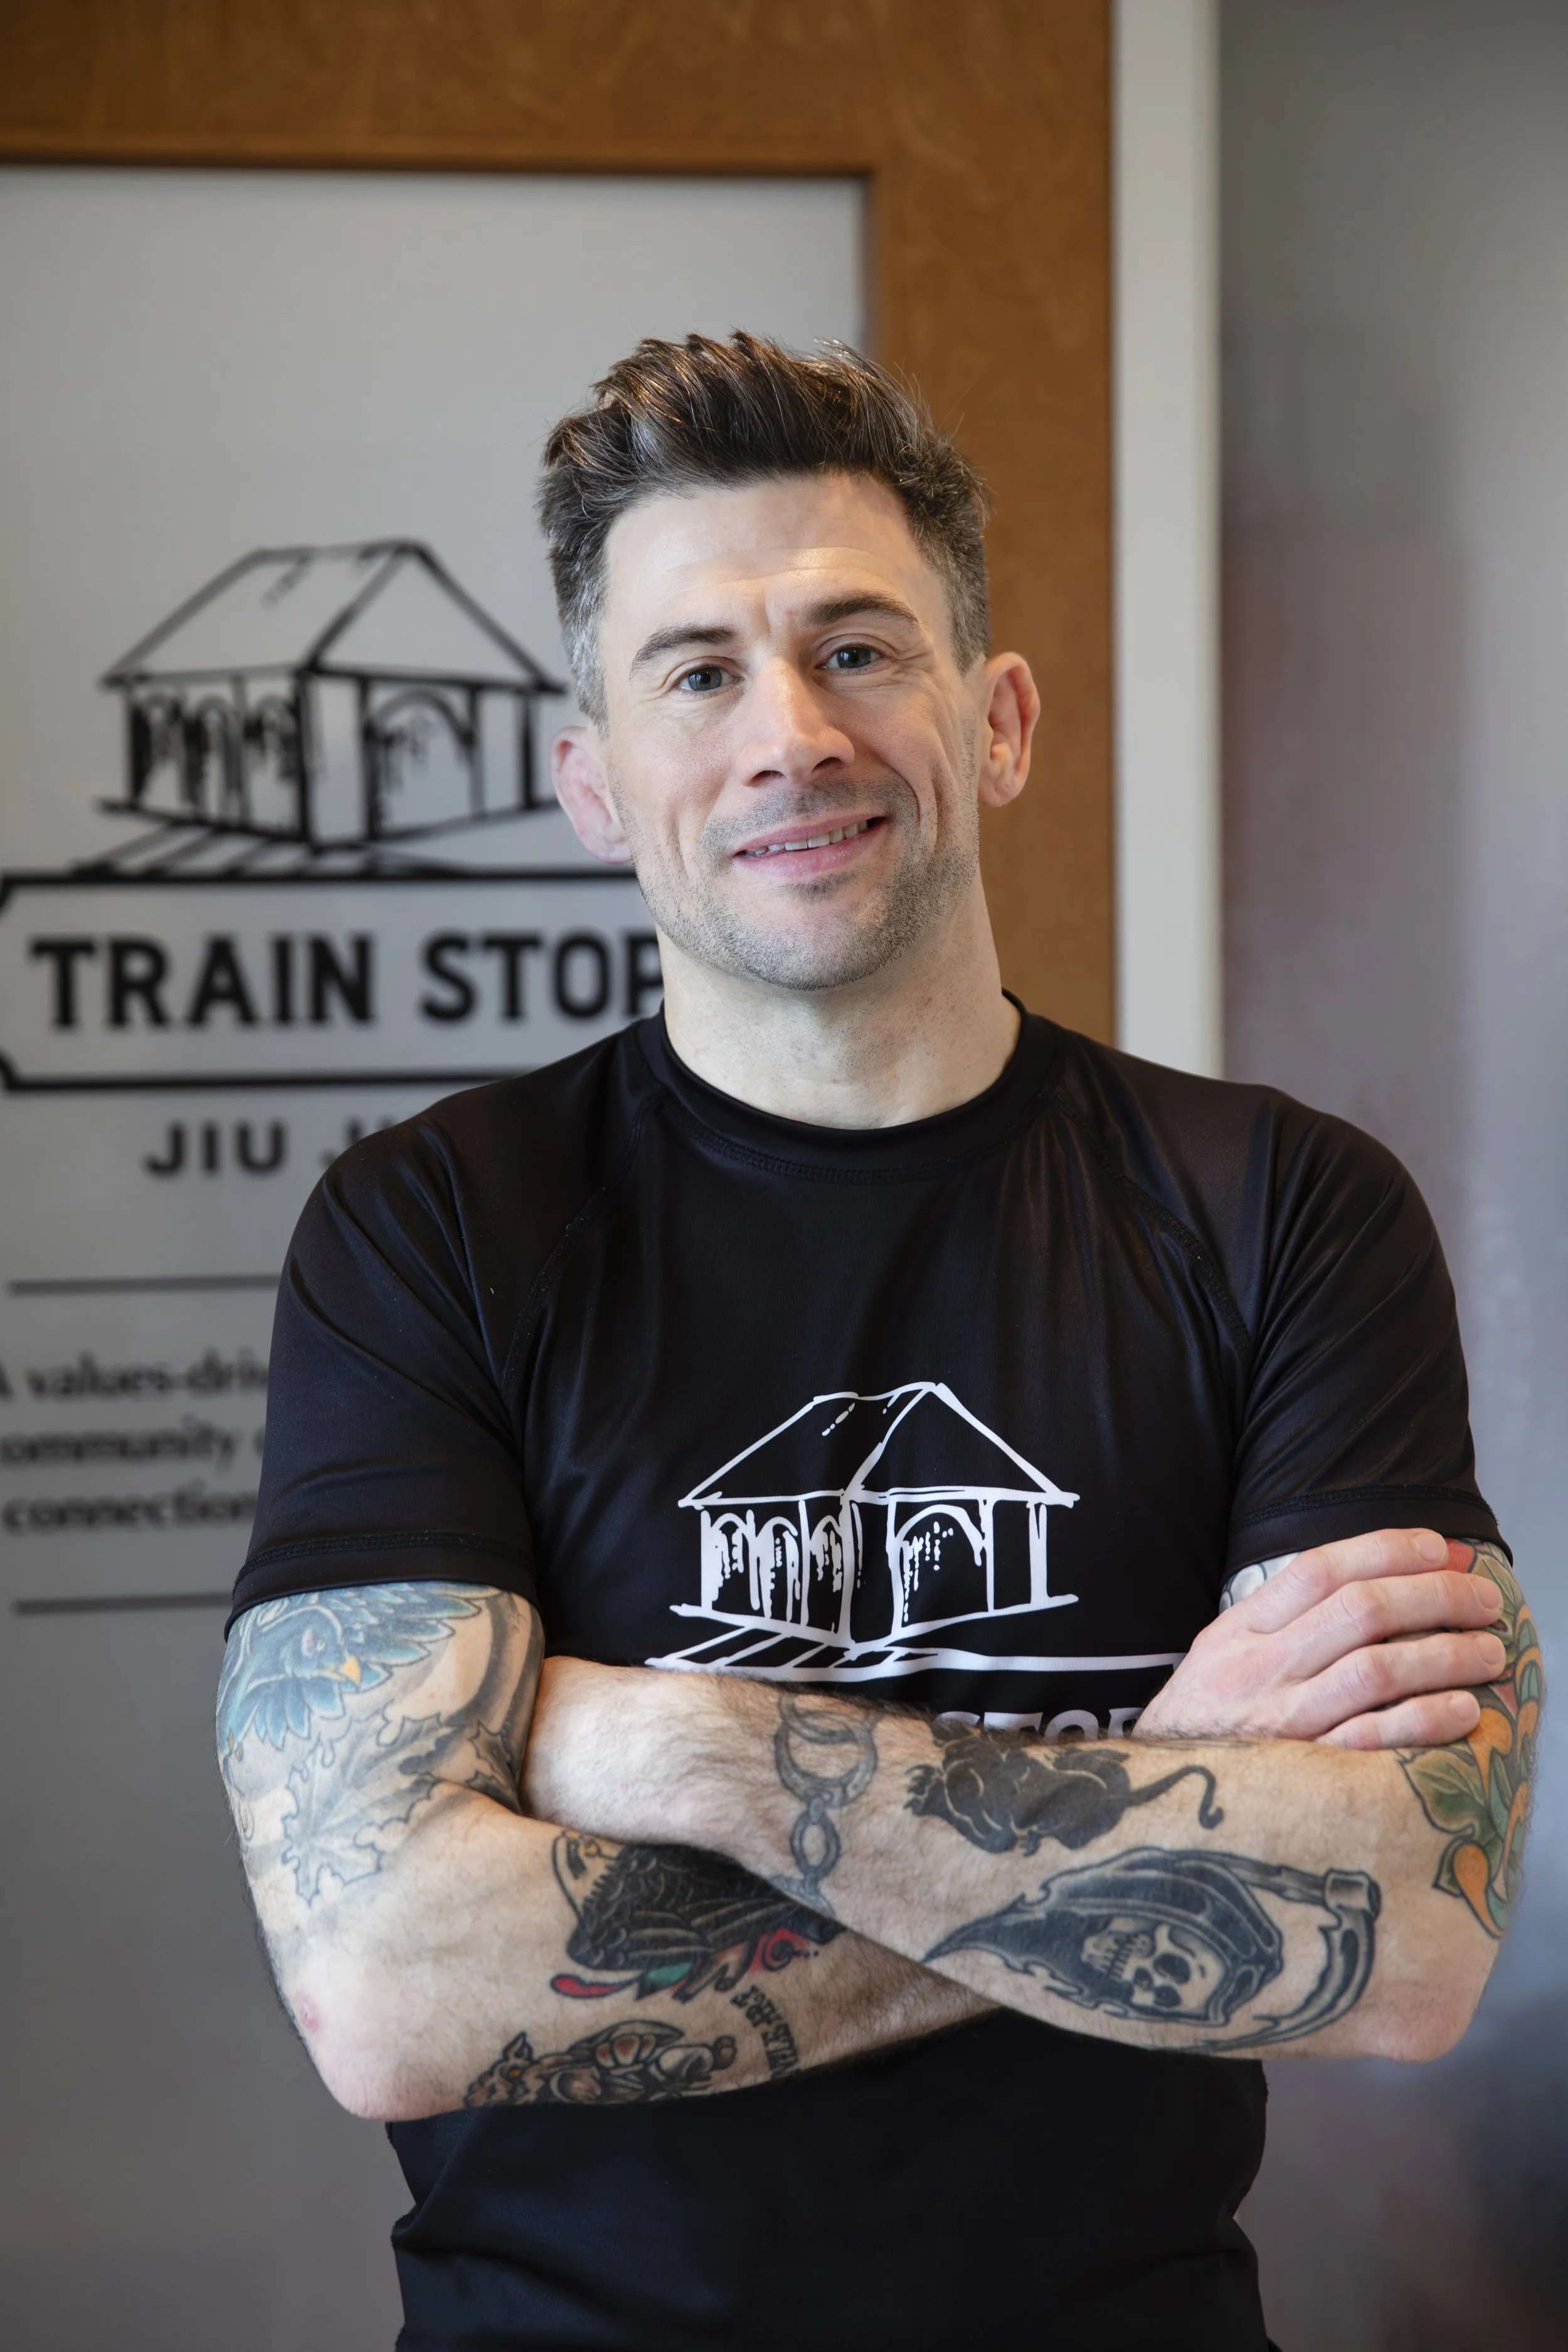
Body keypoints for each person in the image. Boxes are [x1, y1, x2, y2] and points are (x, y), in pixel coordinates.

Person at [217, 333, 1539, 2352]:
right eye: (697, 671)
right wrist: (1164, 1786)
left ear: (994, 719)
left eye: (858, 649)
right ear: (593, 779)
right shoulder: (435, 1230)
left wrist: (678, 1746)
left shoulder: (1279, 1209)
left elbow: (1412, 1937)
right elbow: (389, 1986)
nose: (788, 736)